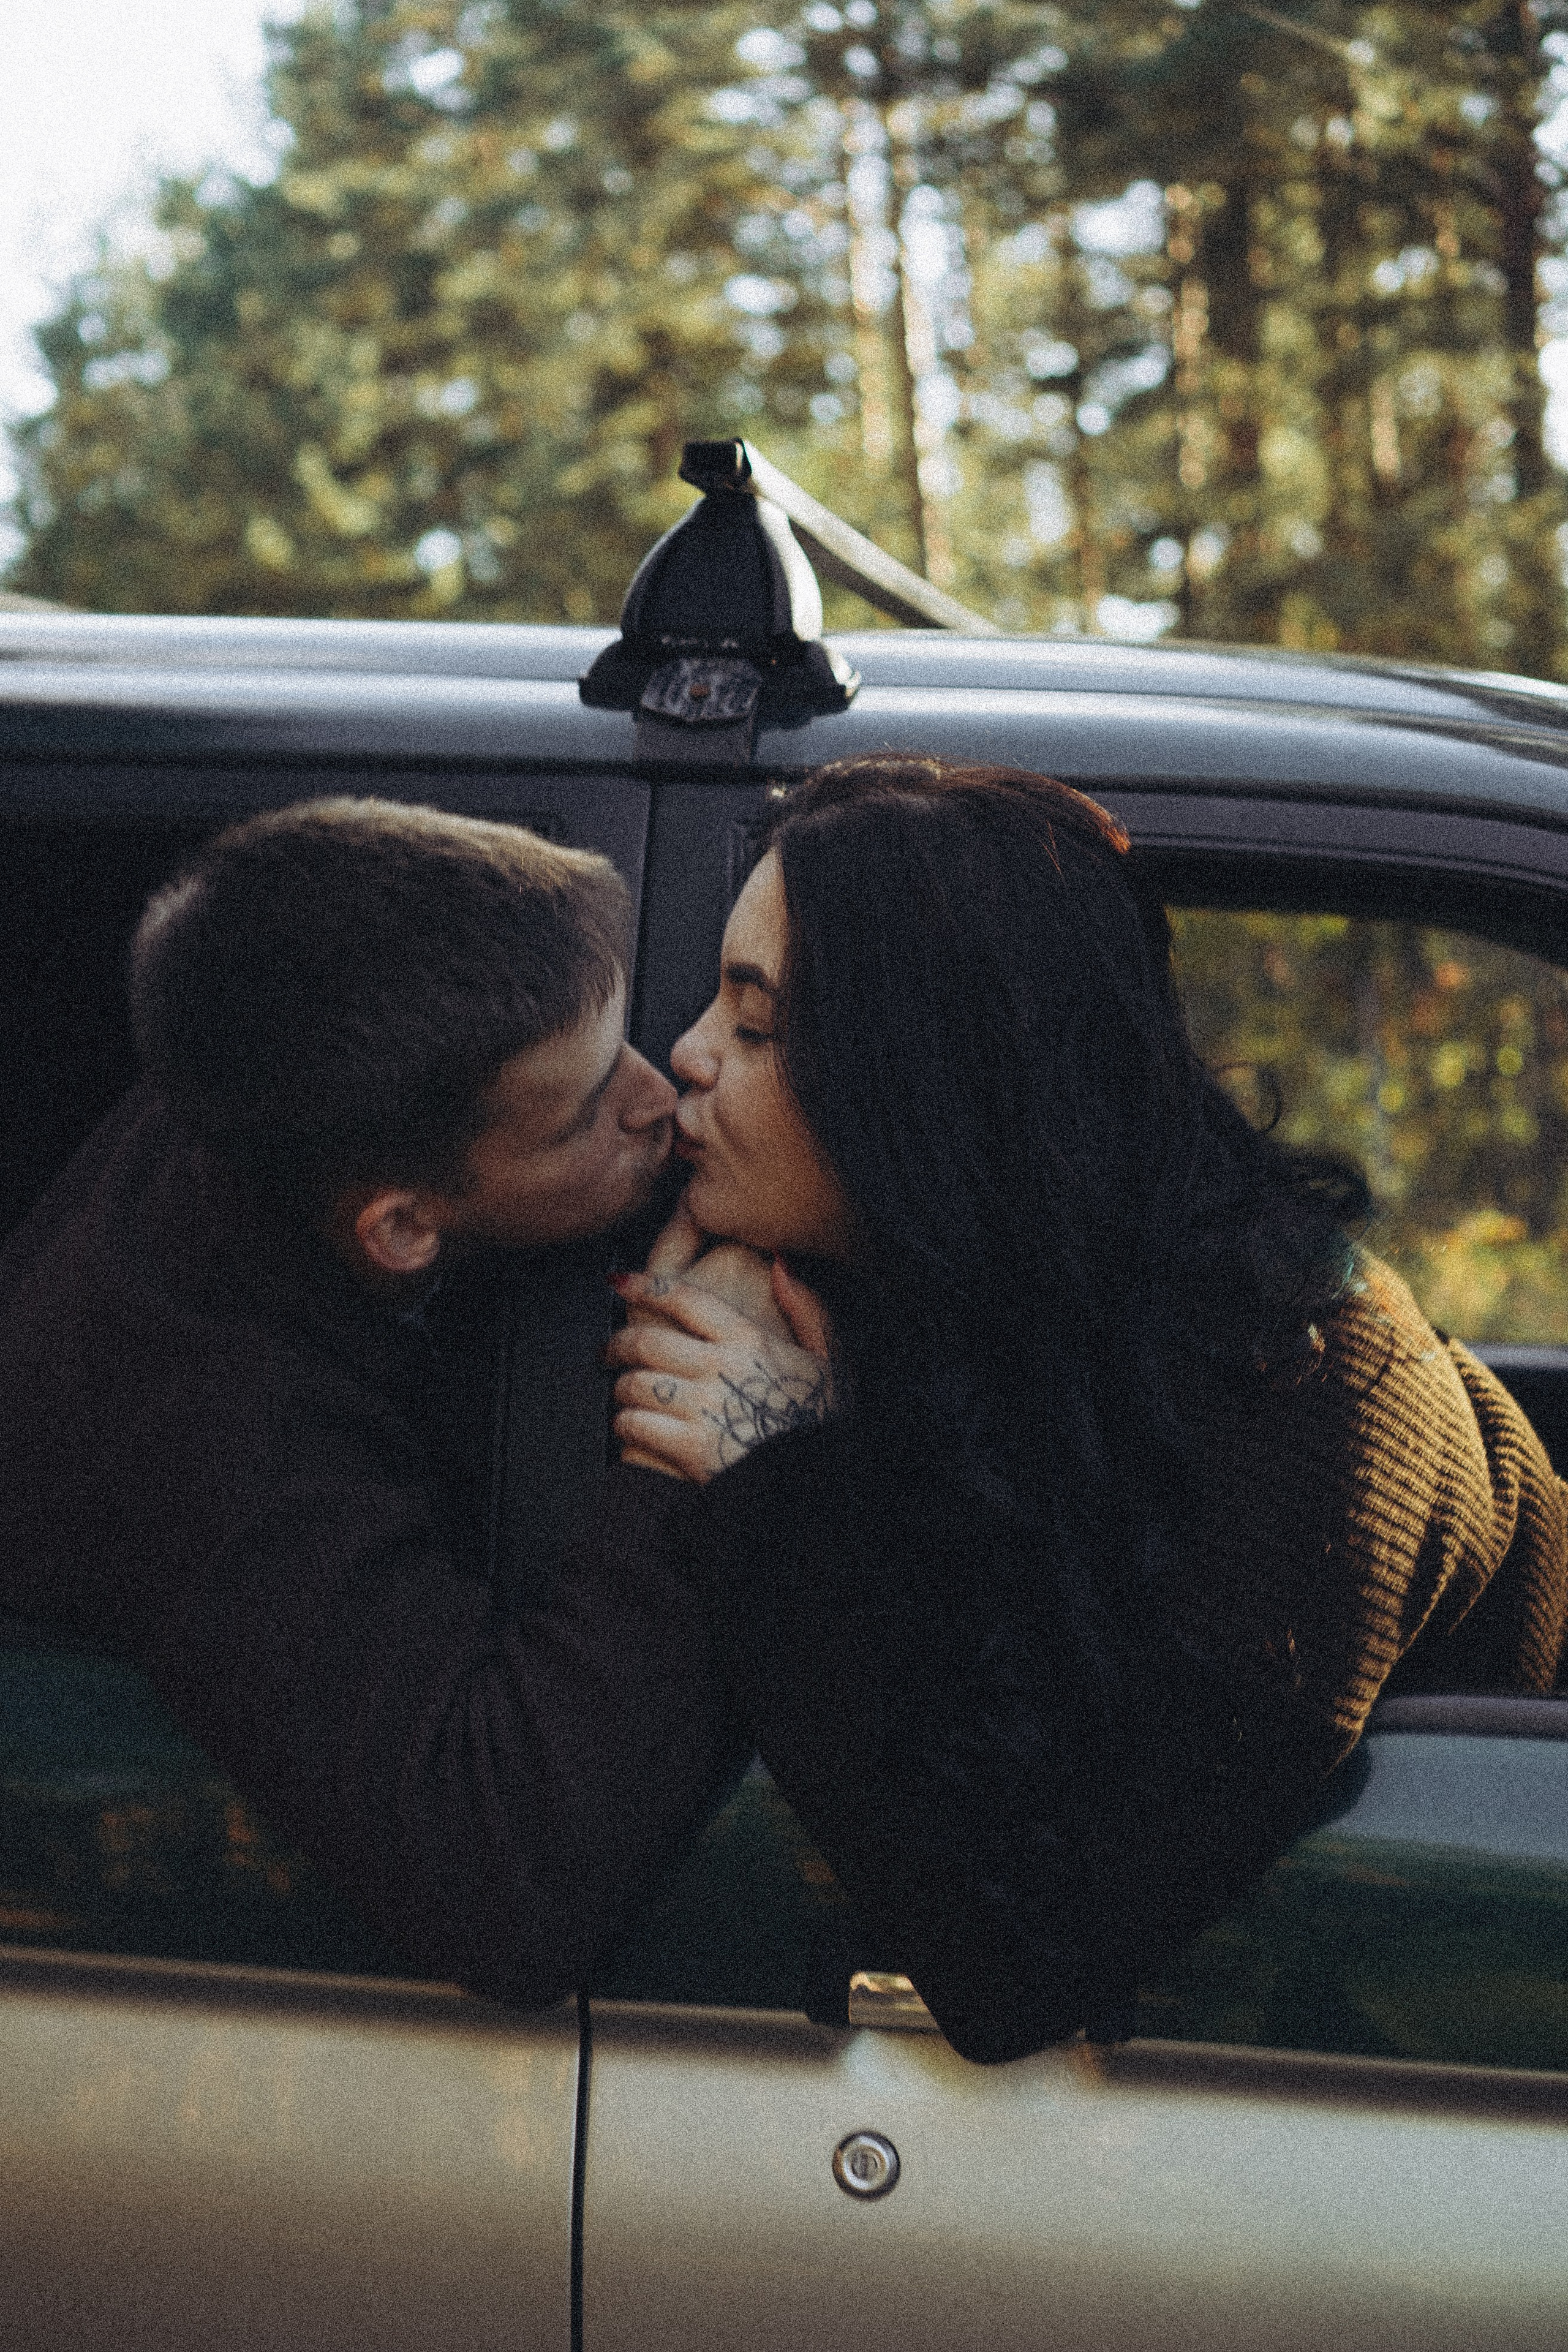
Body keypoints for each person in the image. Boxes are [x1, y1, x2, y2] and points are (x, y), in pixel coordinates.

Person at [606, 755, 1568, 2063]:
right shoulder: (952, 1283)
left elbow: (1012, 1964)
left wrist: (778, 1469)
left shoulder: (1318, 1392)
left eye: (758, 1026)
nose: (684, 1056)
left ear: (938, 1084)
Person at [0, 797, 742, 2000]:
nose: (661, 1098)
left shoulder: (304, 1050)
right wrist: (690, 1447)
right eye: (584, 1107)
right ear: (401, 1225)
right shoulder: (200, 1428)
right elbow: (503, 1893)